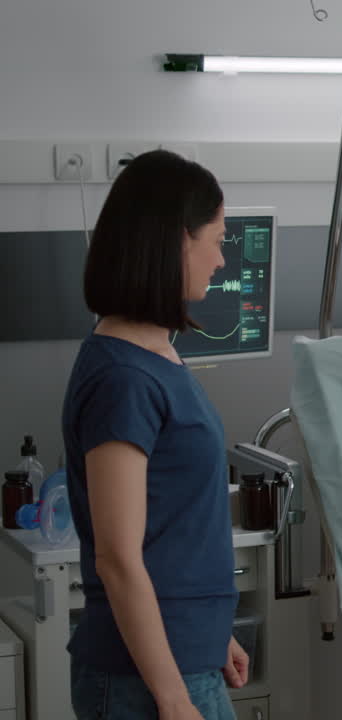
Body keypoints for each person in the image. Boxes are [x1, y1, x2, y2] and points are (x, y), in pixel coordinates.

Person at [62, 150, 248, 719]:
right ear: (174, 242)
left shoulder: (158, 355)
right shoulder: (124, 377)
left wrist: (213, 633)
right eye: (216, 240)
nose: (221, 259)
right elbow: (118, 557)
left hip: (183, 656)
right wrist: (171, 694)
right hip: (143, 679)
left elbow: (177, 532)